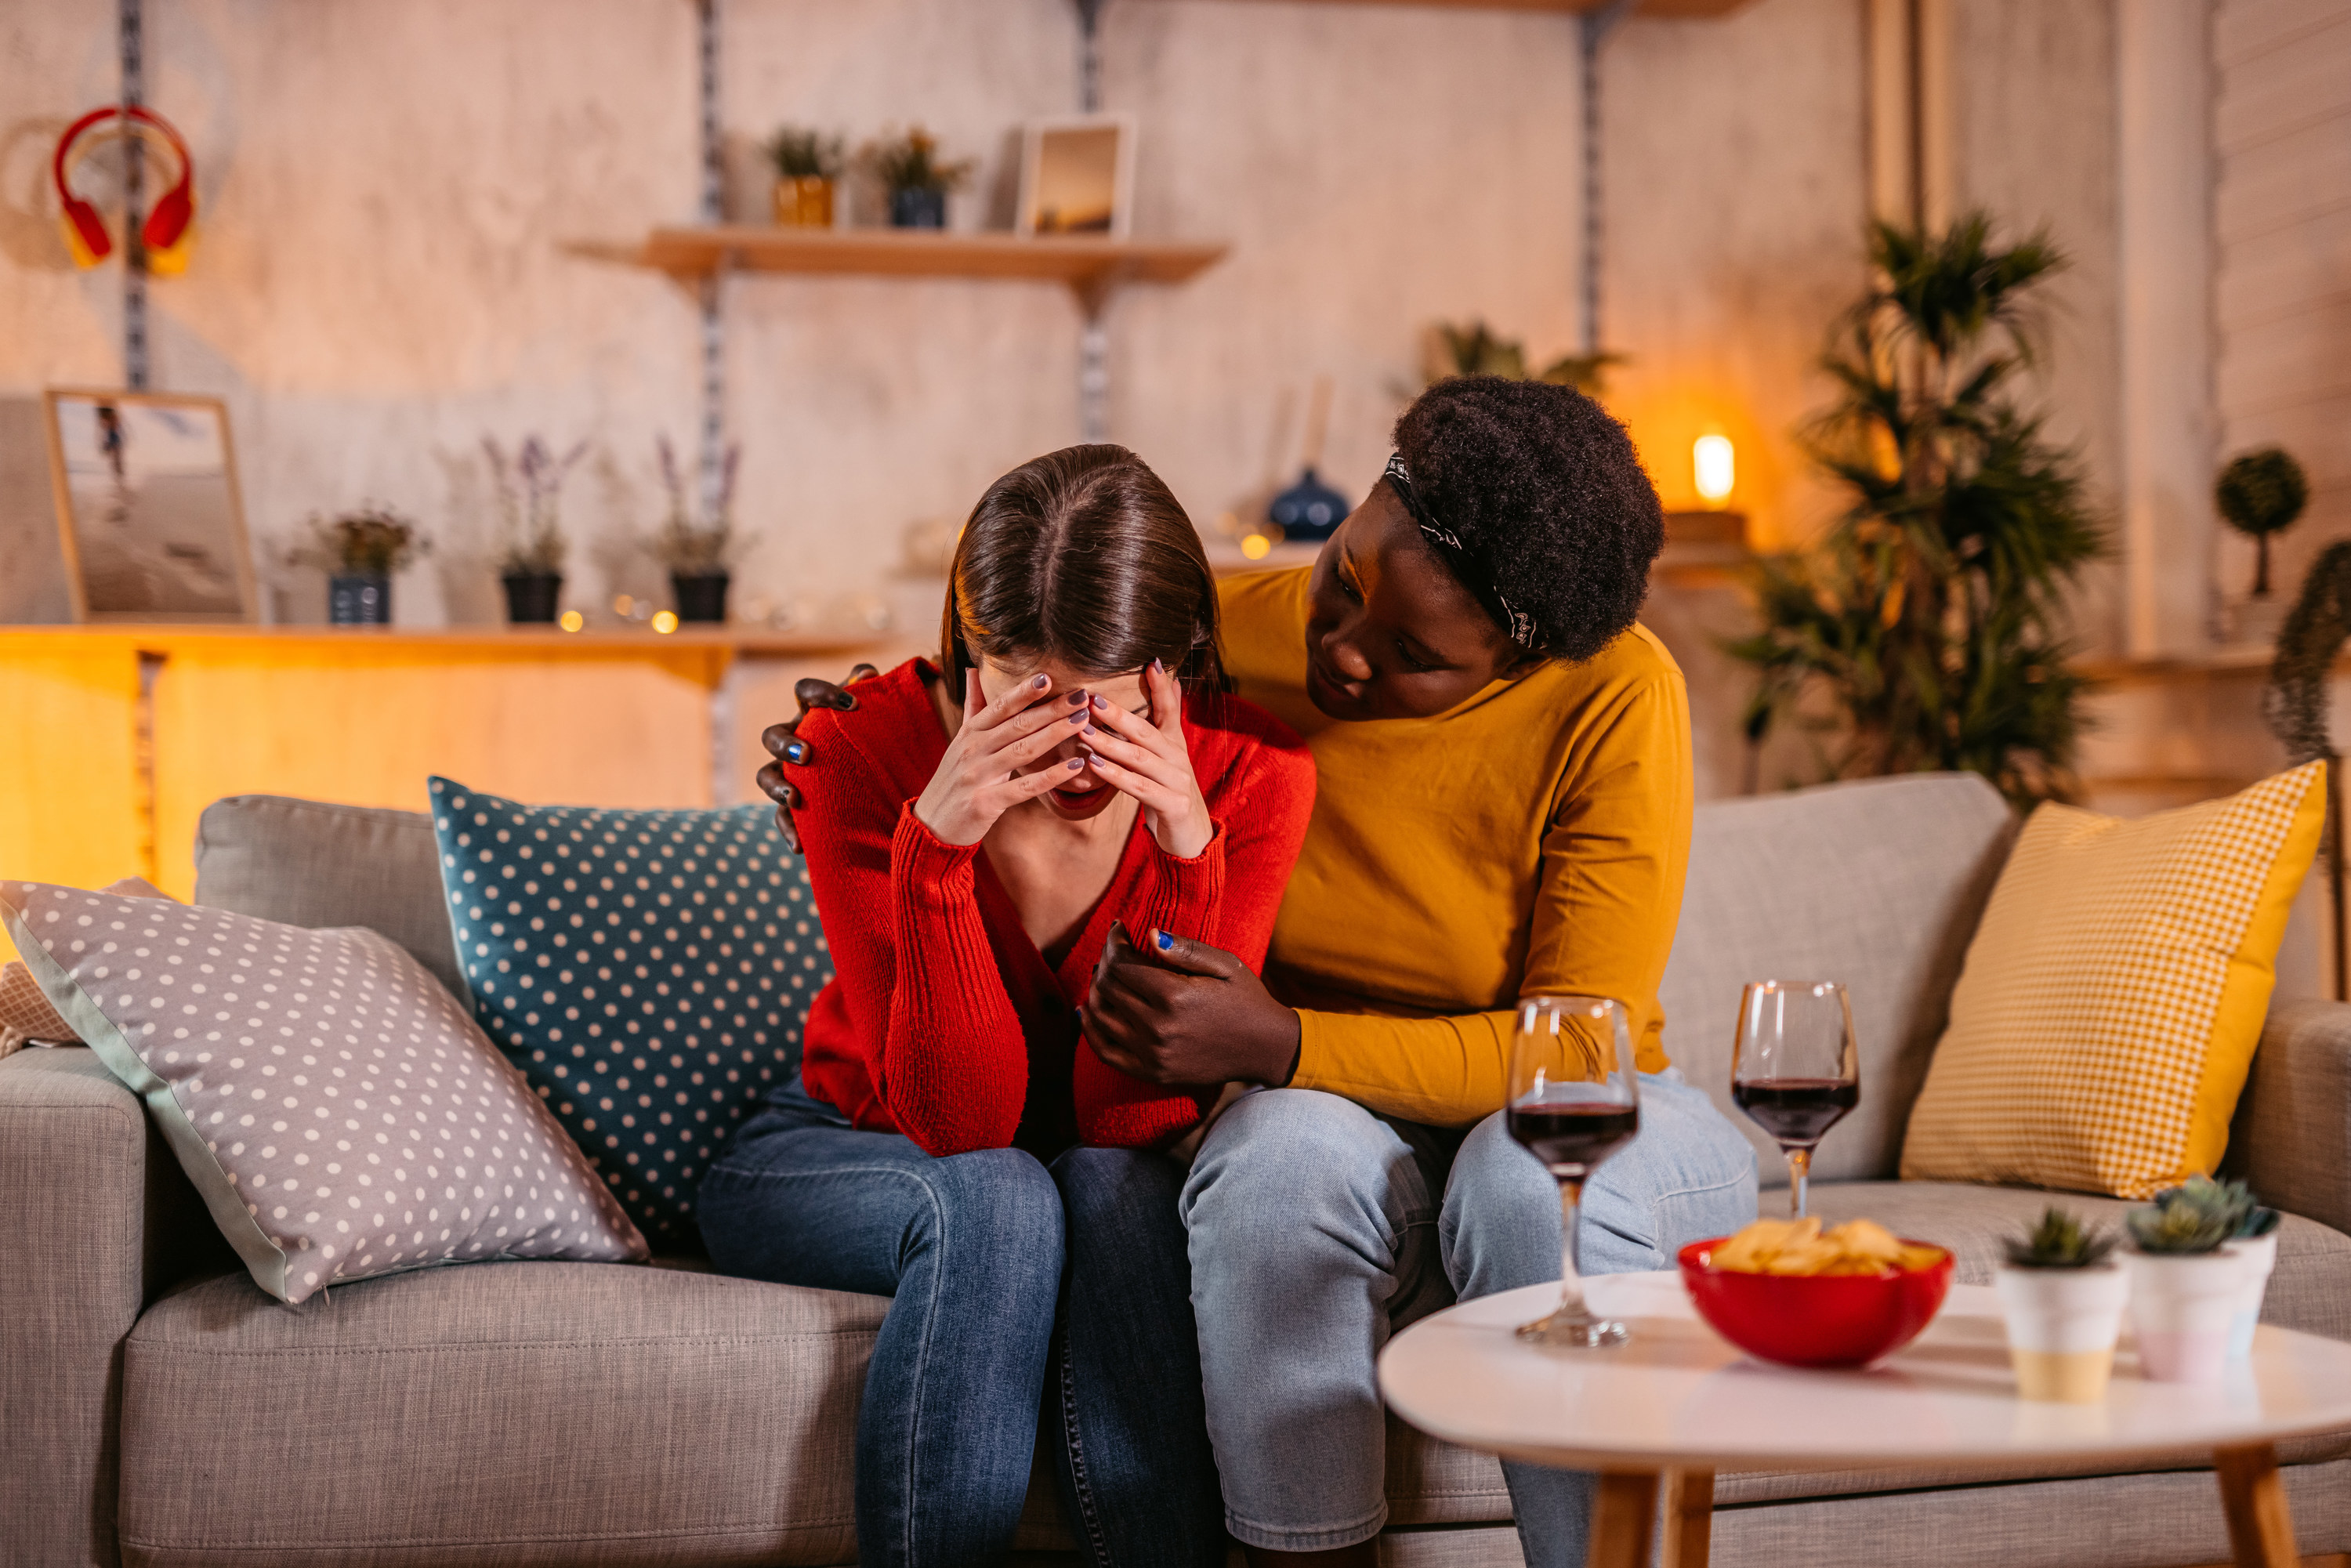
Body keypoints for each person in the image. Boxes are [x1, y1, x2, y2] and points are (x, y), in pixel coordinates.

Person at [761, 378, 1757, 1567]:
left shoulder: (1617, 693)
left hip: (1574, 1096)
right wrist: (897, 708)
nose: (1336, 650)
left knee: (1522, 1183)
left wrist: (1278, 1042)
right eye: (1343, 579)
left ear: (1513, 658)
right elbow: (1068, 630)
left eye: (1412, 656)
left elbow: (1579, 1057)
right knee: (1269, 1169)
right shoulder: (1231, 640)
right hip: (1329, 1108)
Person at [701, 444, 1314, 1568]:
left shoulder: (1250, 776)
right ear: (969, 657)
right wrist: (932, 857)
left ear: (1172, 672)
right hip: (841, 1142)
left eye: (1111, 710)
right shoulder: (860, 750)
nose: (1070, 752)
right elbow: (963, 1127)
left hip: (1083, 1158)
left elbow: (1132, 1123)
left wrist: (1185, 852)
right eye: (1023, 700)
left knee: (1114, 1185)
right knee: (1002, 1195)